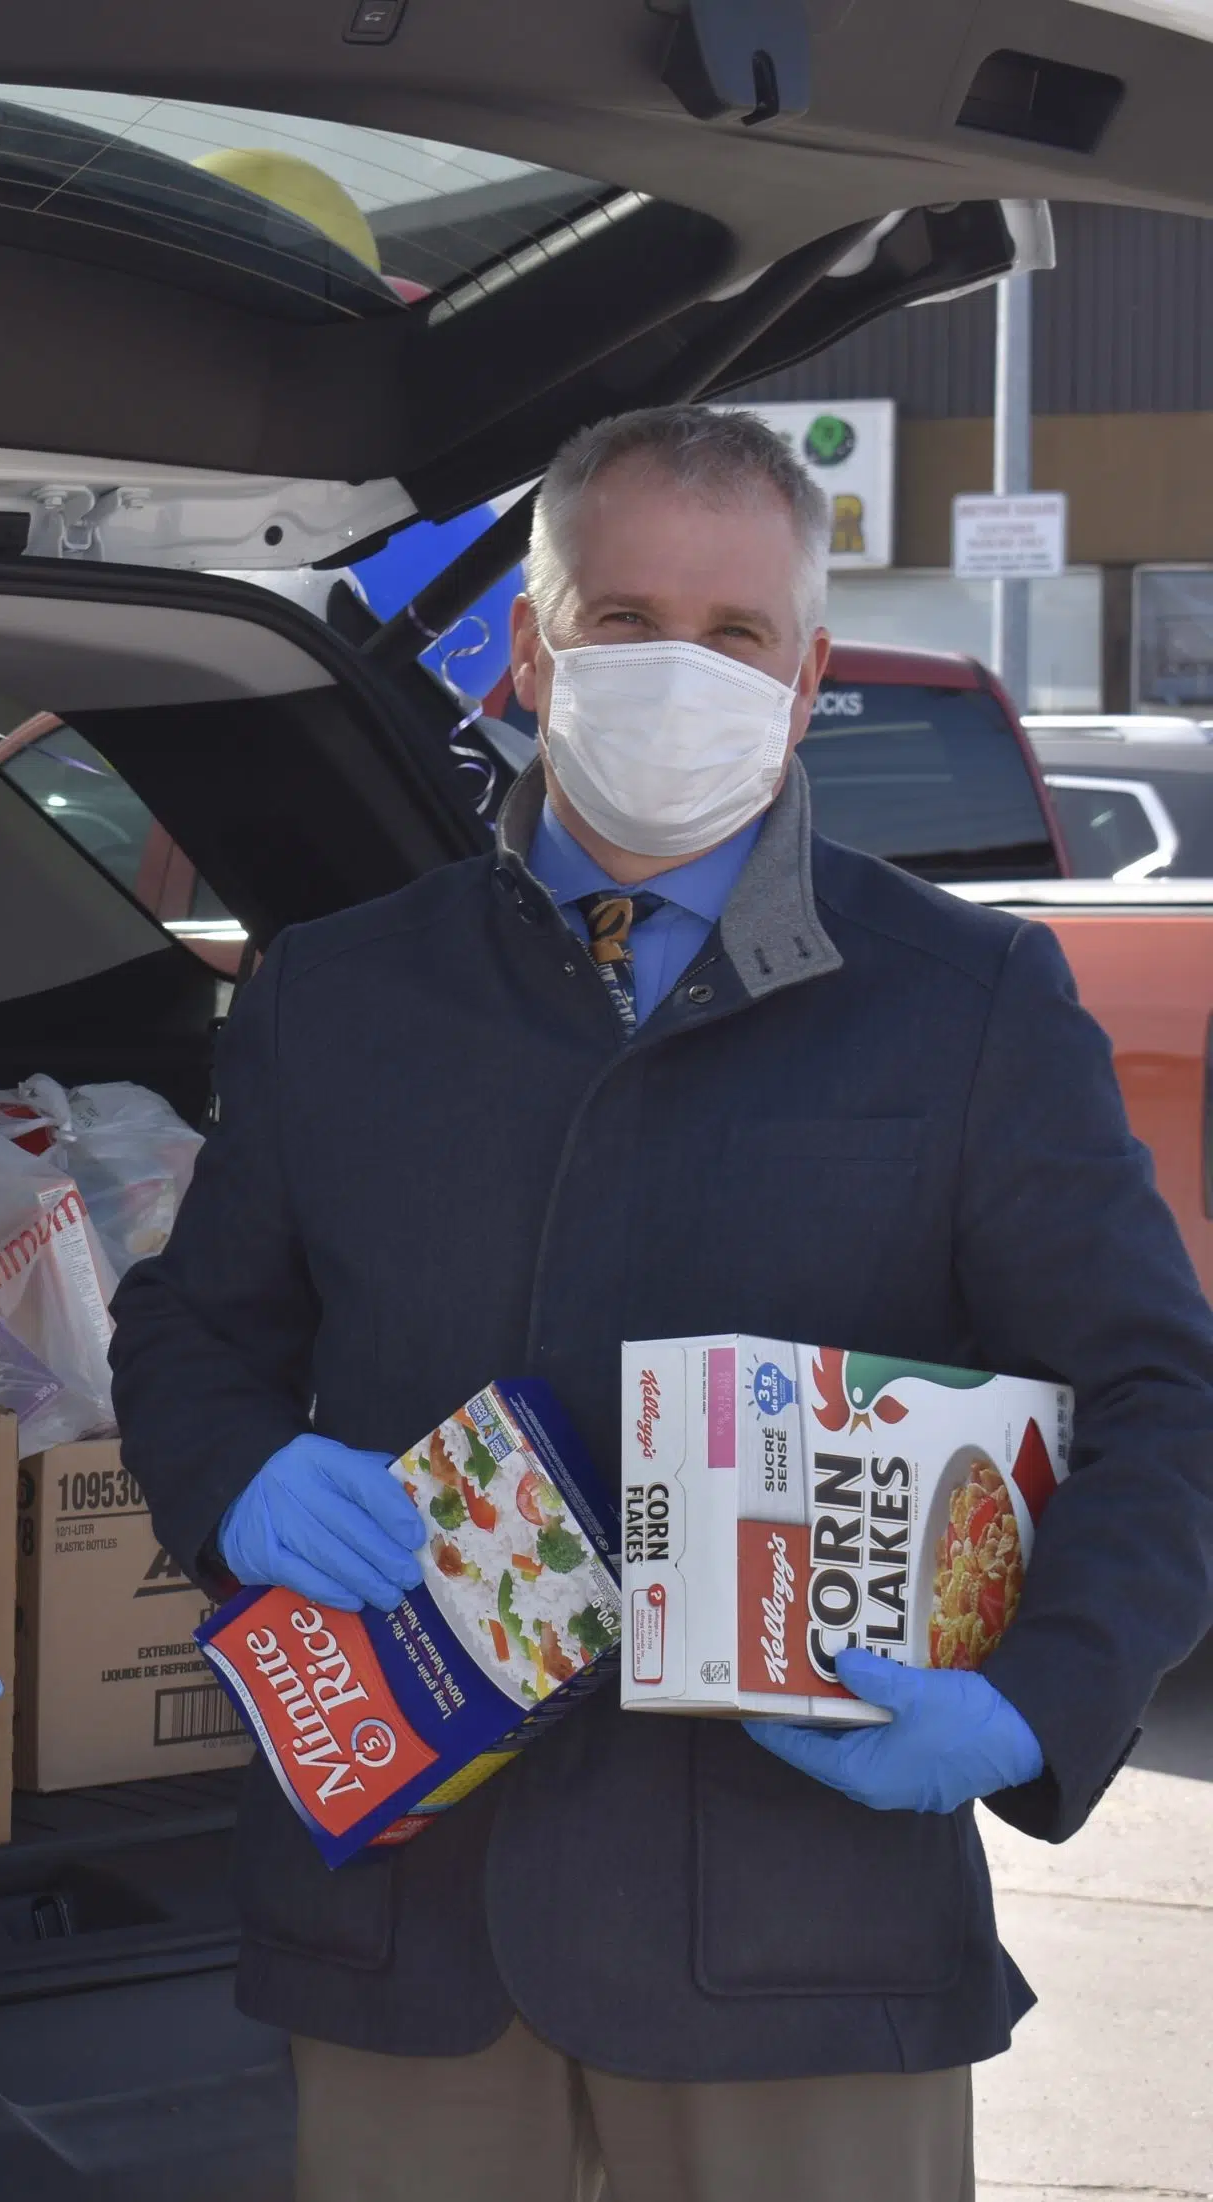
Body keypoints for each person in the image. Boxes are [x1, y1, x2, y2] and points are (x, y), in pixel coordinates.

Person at [112, 405, 1213, 2202]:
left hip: (801, 1946)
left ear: (806, 674)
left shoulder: (969, 1001)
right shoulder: (342, 993)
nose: (676, 668)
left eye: (735, 633)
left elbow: (1164, 1399)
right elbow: (192, 1331)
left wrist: (1038, 1698)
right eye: (624, 622)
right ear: (537, 650)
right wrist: (232, 1475)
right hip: (411, 1929)